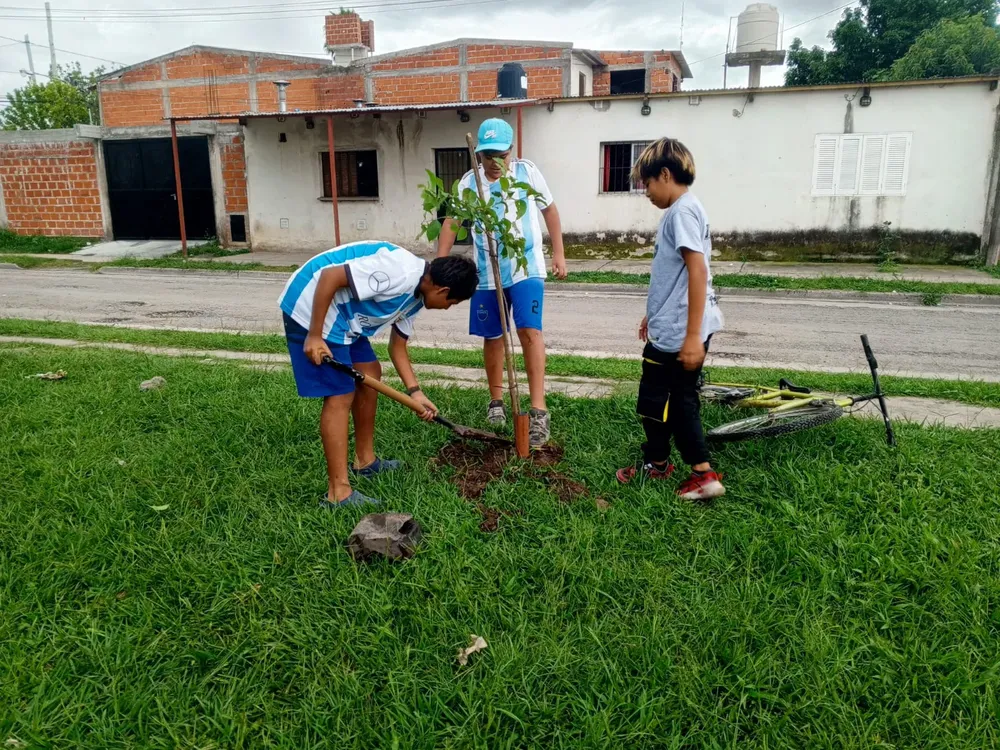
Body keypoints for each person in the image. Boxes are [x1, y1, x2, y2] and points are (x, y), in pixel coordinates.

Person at [278, 241, 478, 509]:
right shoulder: (400, 272)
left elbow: (397, 347)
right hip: (312, 305)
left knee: (370, 372)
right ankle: (338, 493)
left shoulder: (417, 298)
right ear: (443, 290)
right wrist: (314, 336)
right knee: (340, 393)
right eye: (451, 303)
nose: (448, 308)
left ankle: (365, 461)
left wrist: (415, 392)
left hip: (346, 317)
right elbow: (331, 276)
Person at [436, 117, 568, 449]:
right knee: (493, 336)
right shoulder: (469, 182)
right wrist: (439, 263)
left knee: (529, 331)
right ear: (478, 154)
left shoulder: (527, 173)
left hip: (526, 267)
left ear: (512, 151)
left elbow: (550, 211)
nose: (495, 163)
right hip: (486, 272)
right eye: (487, 156)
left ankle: (538, 409)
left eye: (501, 155)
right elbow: (452, 222)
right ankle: (496, 401)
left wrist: (559, 254)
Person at [615, 138, 726, 502]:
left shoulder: (680, 213)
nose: (645, 192)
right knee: (669, 399)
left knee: (670, 401)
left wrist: (692, 336)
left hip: (679, 332)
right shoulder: (688, 209)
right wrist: (654, 312)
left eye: (647, 183)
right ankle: (660, 462)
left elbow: (697, 270)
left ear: (665, 174)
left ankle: (700, 473)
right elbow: (675, 276)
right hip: (675, 324)